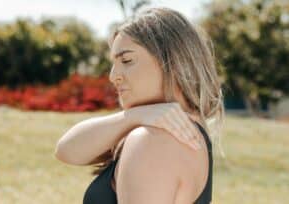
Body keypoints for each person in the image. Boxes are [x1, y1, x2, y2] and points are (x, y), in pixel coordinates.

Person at [55, 7, 224, 204]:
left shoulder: (151, 141)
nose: (113, 76)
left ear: (172, 62)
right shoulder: (185, 132)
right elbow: (67, 150)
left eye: (127, 60)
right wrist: (137, 115)